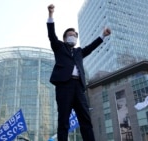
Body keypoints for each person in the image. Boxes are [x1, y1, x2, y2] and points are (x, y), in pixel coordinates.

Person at [47, 4, 111, 141]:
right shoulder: (59, 47)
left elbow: (91, 47)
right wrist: (51, 14)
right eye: (70, 35)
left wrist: (103, 35)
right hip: (64, 86)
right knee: (63, 120)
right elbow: (52, 35)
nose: (73, 37)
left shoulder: (79, 52)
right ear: (65, 38)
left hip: (79, 88)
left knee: (85, 118)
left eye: (75, 35)